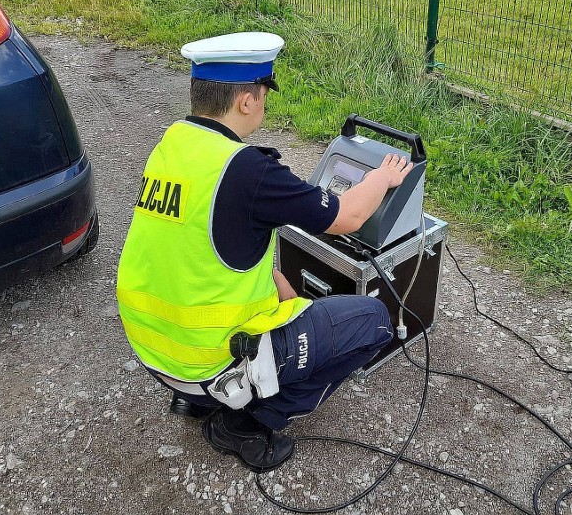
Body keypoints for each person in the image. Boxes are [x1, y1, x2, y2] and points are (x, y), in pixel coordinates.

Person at [116, 32, 413, 473]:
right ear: (247, 101)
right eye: (264, 93)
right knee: (373, 322)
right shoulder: (249, 171)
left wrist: (286, 295)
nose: (264, 104)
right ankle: (244, 424)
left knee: (286, 297)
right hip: (206, 362)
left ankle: (195, 402)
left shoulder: (173, 144)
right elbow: (347, 216)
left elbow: (207, 251)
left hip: (155, 351)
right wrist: (383, 179)